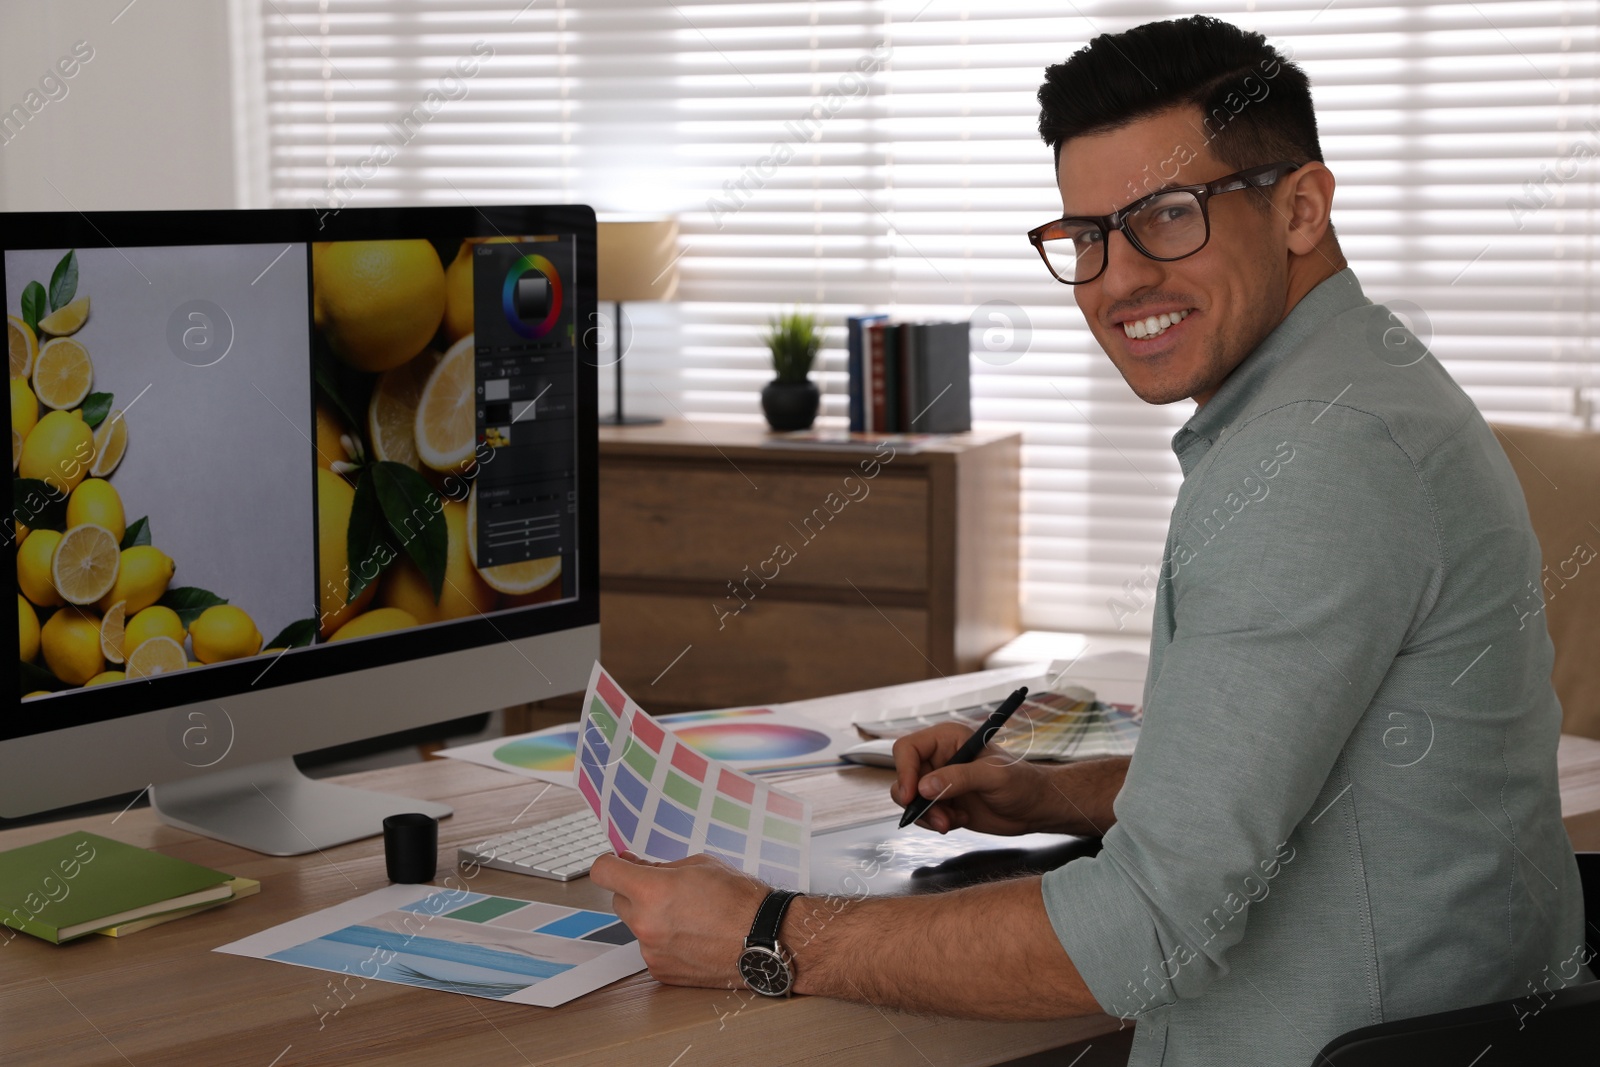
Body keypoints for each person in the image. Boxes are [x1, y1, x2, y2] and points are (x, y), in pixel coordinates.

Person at [592, 16, 1588, 1063]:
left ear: (1301, 207)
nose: (1114, 281)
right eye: (1086, 235)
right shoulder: (1364, 388)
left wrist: (763, 932)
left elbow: (1143, 937)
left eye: (1167, 215)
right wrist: (1053, 793)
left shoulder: (1313, 459)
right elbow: (1316, 776)